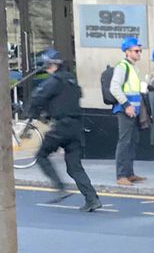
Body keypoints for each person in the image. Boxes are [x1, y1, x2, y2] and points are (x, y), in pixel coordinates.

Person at [29, 49, 102, 212]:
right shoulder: (72, 80)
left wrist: (34, 113)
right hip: (76, 127)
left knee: (41, 156)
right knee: (74, 166)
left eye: (47, 65)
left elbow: (37, 97)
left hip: (62, 127)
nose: (46, 68)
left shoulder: (54, 81)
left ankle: (60, 187)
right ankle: (92, 199)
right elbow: (66, 99)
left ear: (51, 65)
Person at [110, 37, 146, 186]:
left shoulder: (133, 68)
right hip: (125, 110)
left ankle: (129, 173)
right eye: (136, 51)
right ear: (127, 52)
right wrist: (126, 105)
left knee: (132, 141)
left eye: (140, 51)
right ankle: (121, 175)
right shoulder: (122, 67)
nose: (139, 53)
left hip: (134, 111)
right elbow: (114, 87)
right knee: (124, 142)